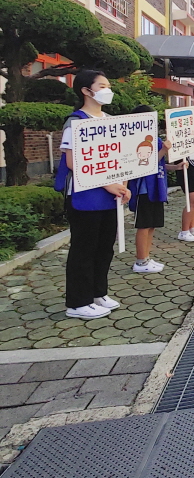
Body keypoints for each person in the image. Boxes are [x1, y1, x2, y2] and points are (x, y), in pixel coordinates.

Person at [56, 70, 132, 319]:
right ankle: (78, 302)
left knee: (104, 247)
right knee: (83, 249)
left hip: (108, 196)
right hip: (84, 196)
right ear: (86, 91)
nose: (107, 90)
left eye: (108, 85)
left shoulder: (110, 120)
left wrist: (122, 185)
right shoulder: (75, 122)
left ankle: (98, 293)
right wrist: (108, 185)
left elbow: (121, 160)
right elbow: (71, 161)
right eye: (102, 86)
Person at [127, 105, 180, 272]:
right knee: (144, 225)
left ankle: (146, 258)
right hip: (144, 189)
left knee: (152, 225)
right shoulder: (135, 140)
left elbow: (159, 164)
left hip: (157, 186)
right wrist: (164, 149)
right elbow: (146, 163)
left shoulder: (154, 139)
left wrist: (175, 168)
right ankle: (140, 261)